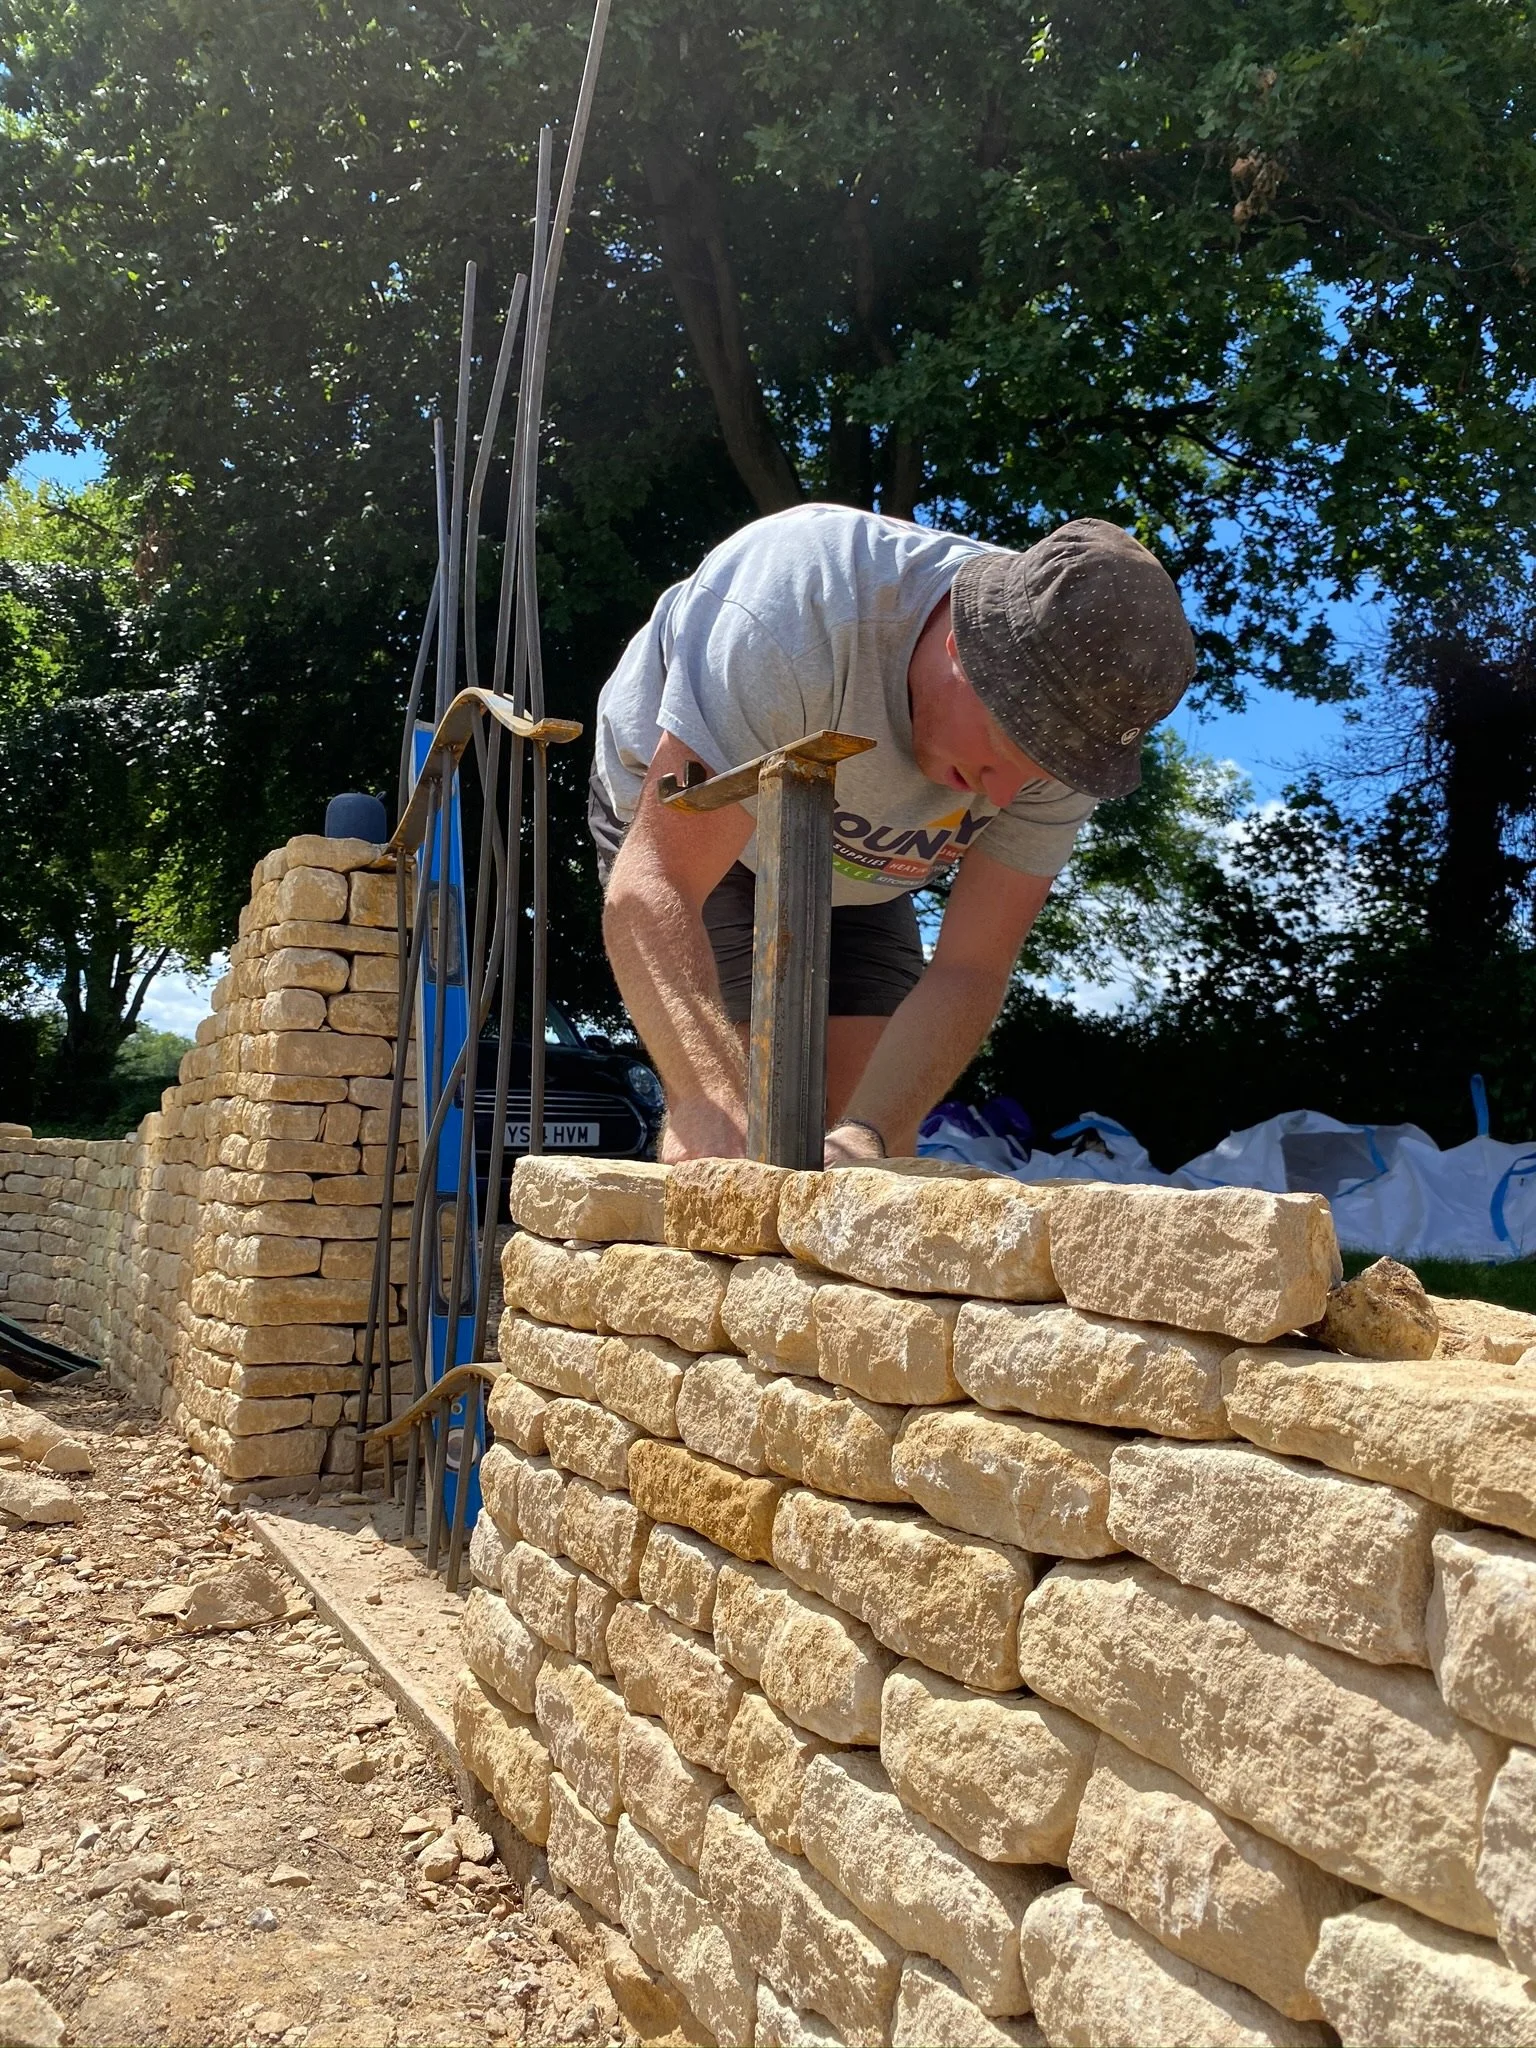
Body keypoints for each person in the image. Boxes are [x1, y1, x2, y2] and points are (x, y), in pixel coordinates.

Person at [590, 503, 1195, 1164]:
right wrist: (707, 1100)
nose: (999, 798)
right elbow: (657, 883)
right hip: (703, 827)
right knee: (743, 1138)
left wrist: (866, 1136)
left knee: (862, 1153)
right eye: (1001, 749)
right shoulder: (799, 615)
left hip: (864, 859)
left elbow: (971, 966)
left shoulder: (1074, 722)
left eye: (1038, 776)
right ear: (960, 651)